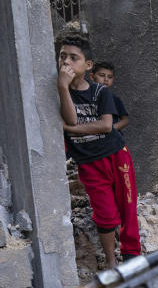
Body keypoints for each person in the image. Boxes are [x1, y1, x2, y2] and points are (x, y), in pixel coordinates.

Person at [57, 34, 141, 267]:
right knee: (105, 214)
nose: (66, 63)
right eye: (63, 56)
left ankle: (132, 256)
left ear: (88, 65)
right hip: (88, 163)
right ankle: (111, 261)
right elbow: (71, 119)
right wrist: (63, 87)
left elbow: (105, 125)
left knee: (127, 207)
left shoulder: (100, 92)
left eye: (74, 58)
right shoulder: (60, 91)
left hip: (116, 156)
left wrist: (71, 128)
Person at [91, 61, 130, 133]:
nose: (106, 79)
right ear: (92, 77)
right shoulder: (87, 96)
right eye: (102, 75)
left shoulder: (114, 99)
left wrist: (112, 128)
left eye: (110, 77)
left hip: (112, 140)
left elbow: (125, 120)